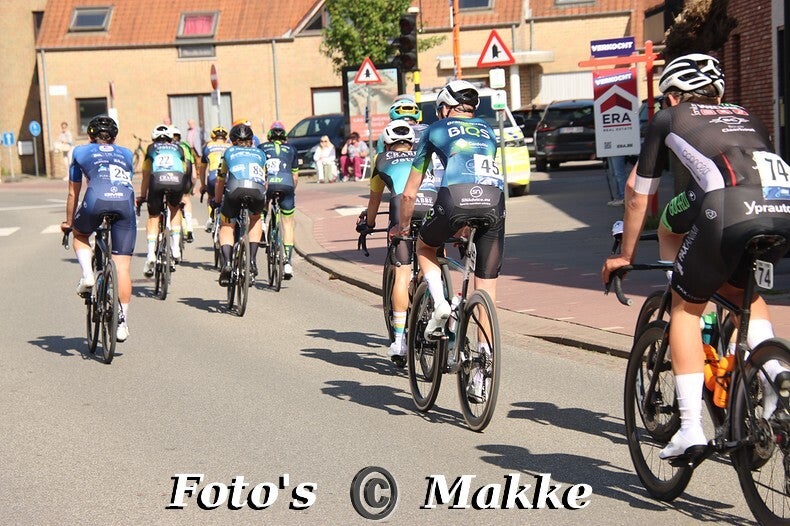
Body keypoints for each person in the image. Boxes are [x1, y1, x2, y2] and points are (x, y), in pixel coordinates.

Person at [601, 53, 790, 461]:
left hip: (727, 208)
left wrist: (625, 255)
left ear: (672, 96)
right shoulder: (747, 116)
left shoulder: (670, 118)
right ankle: (776, 374)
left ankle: (689, 429)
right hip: (781, 209)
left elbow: (638, 195)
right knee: (743, 295)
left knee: (685, 311)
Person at [391, 80, 505, 402]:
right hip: (494, 204)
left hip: (454, 199)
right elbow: (479, 174)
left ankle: (441, 303)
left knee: (424, 246)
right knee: (486, 290)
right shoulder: (488, 130)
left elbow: (410, 193)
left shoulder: (435, 129)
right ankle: (481, 374)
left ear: (445, 107)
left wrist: (403, 227)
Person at [358, 120, 437, 364]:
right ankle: (431, 300)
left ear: (386, 143)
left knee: (402, 272)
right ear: (412, 143)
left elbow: (374, 200)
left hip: (403, 206)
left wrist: (369, 224)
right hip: (432, 205)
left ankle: (400, 341)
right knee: (430, 258)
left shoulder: (381, 159)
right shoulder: (425, 155)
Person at [60, 116, 135, 342]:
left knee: (80, 233)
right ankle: (122, 323)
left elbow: (73, 192)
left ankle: (87, 276)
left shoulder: (80, 152)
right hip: (125, 204)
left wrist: (69, 223)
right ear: (114, 137)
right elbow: (126, 182)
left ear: (90, 136)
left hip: (96, 200)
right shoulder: (126, 153)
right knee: (122, 268)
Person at [215, 123, 268, 284]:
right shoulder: (260, 153)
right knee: (255, 219)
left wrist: (217, 201)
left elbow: (221, 179)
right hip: (257, 190)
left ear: (232, 141)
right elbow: (265, 180)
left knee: (227, 225)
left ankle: (227, 263)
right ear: (251, 141)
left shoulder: (228, 152)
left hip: (235, 189)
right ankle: (252, 261)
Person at [137, 124, 189, 276]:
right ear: (170, 138)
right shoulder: (179, 148)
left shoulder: (151, 148)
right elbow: (184, 169)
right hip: (177, 179)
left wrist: (142, 196)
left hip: (158, 180)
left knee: (154, 216)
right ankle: (175, 248)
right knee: (175, 209)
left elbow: (146, 176)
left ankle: (150, 254)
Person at [259, 121, 299, 279]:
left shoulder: (261, 148)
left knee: (263, 201)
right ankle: (287, 262)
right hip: (287, 185)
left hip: (268, 184)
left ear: (269, 136)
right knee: (288, 224)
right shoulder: (292, 149)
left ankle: (262, 224)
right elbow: (295, 176)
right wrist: (291, 192)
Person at [199, 126, 230, 232]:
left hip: (213, 178)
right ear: (226, 138)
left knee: (211, 196)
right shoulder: (230, 147)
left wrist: (203, 185)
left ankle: (211, 218)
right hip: (228, 177)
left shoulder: (208, 147)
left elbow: (202, 169)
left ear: (213, 137)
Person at [170, 126, 197, 244]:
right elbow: (194, 173)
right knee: (186, 199)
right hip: (187, 173)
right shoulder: (186, 146)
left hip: (173, 174)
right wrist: (193, 185)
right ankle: (189, 227)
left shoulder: (168, 147)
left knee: (172, 202)